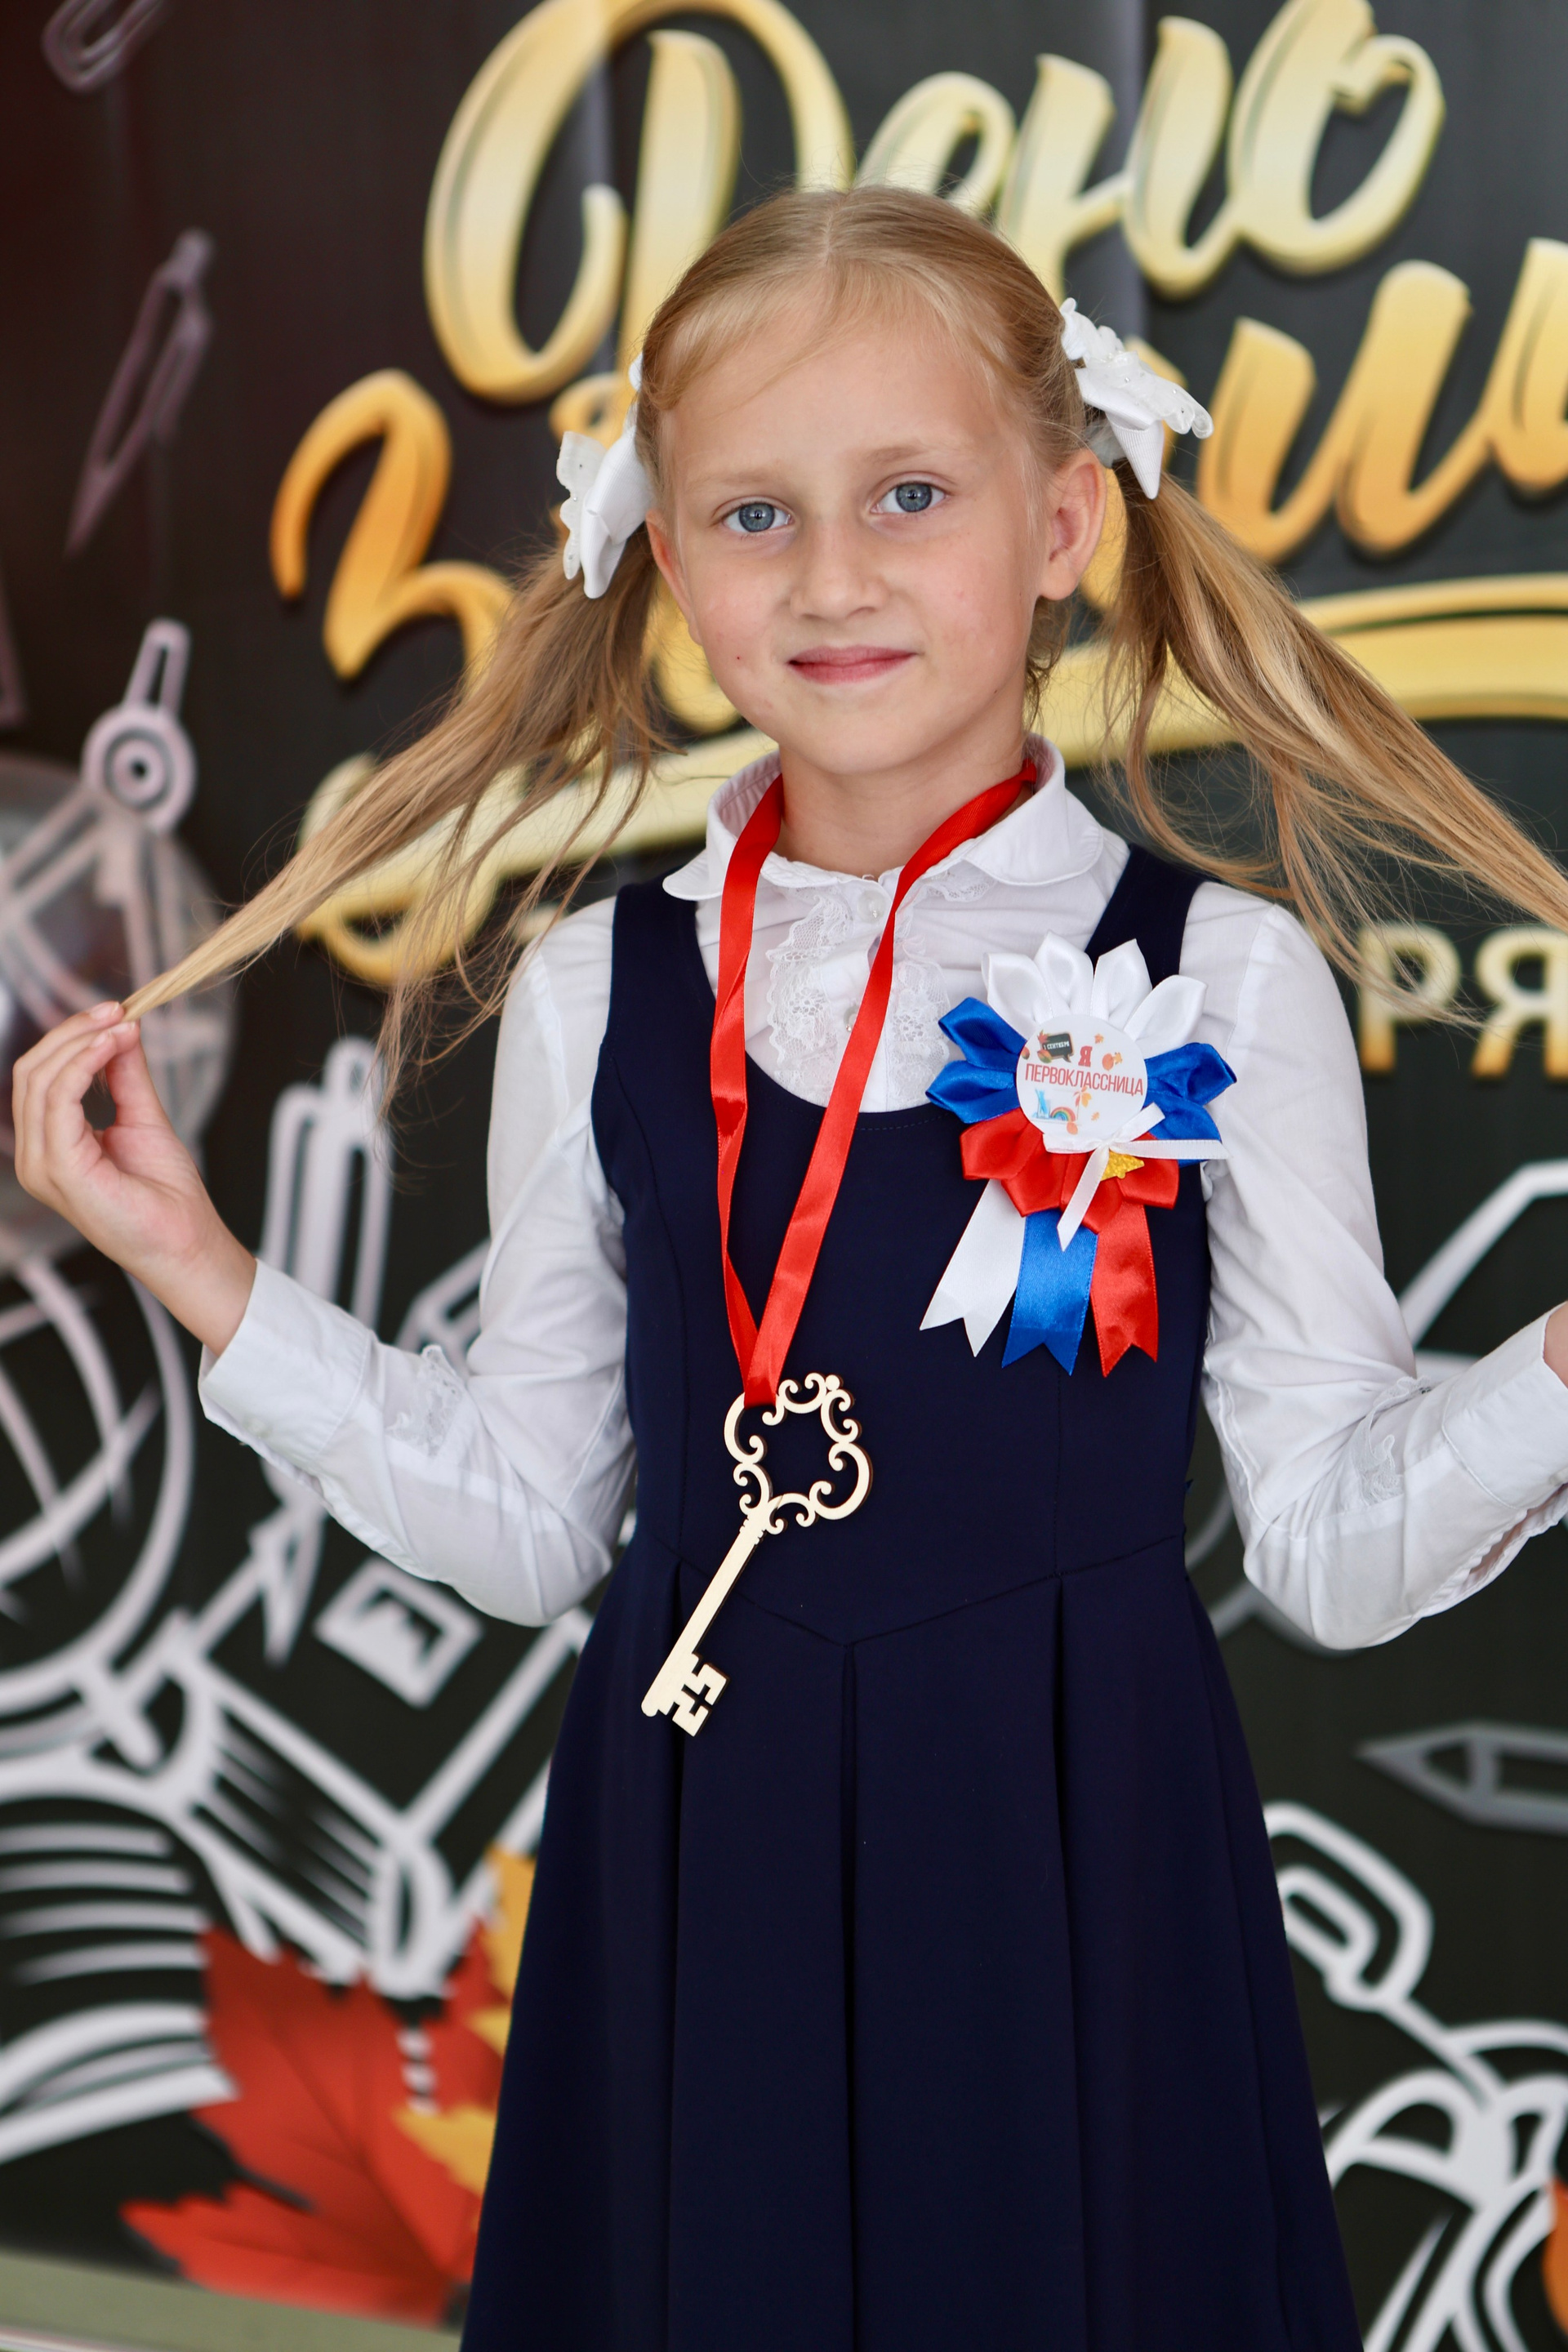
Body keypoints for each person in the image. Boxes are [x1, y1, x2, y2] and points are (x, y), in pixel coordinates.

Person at [16, 186, 1568, 2349]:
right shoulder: (597, 988)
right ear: (668, 563)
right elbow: (534, 1520)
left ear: (1063, 522)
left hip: (1073, 1863)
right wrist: (203, 1271)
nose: (831, 577)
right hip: (698, 1845)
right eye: (755, 513)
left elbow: (1324, 1543)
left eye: (910, 495)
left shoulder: (1220, 976)